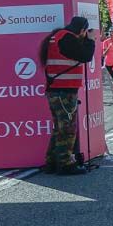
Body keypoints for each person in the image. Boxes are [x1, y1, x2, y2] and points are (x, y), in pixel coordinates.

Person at [40, 16, 96, 175]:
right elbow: (85, 56)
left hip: (55, 89)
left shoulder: (57, 36)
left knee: (59, 127)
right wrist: (90, 40)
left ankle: (51, 161)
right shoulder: (67, 39)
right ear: (82, 30)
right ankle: (65, 163)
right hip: (64, 90)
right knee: (68, 128)